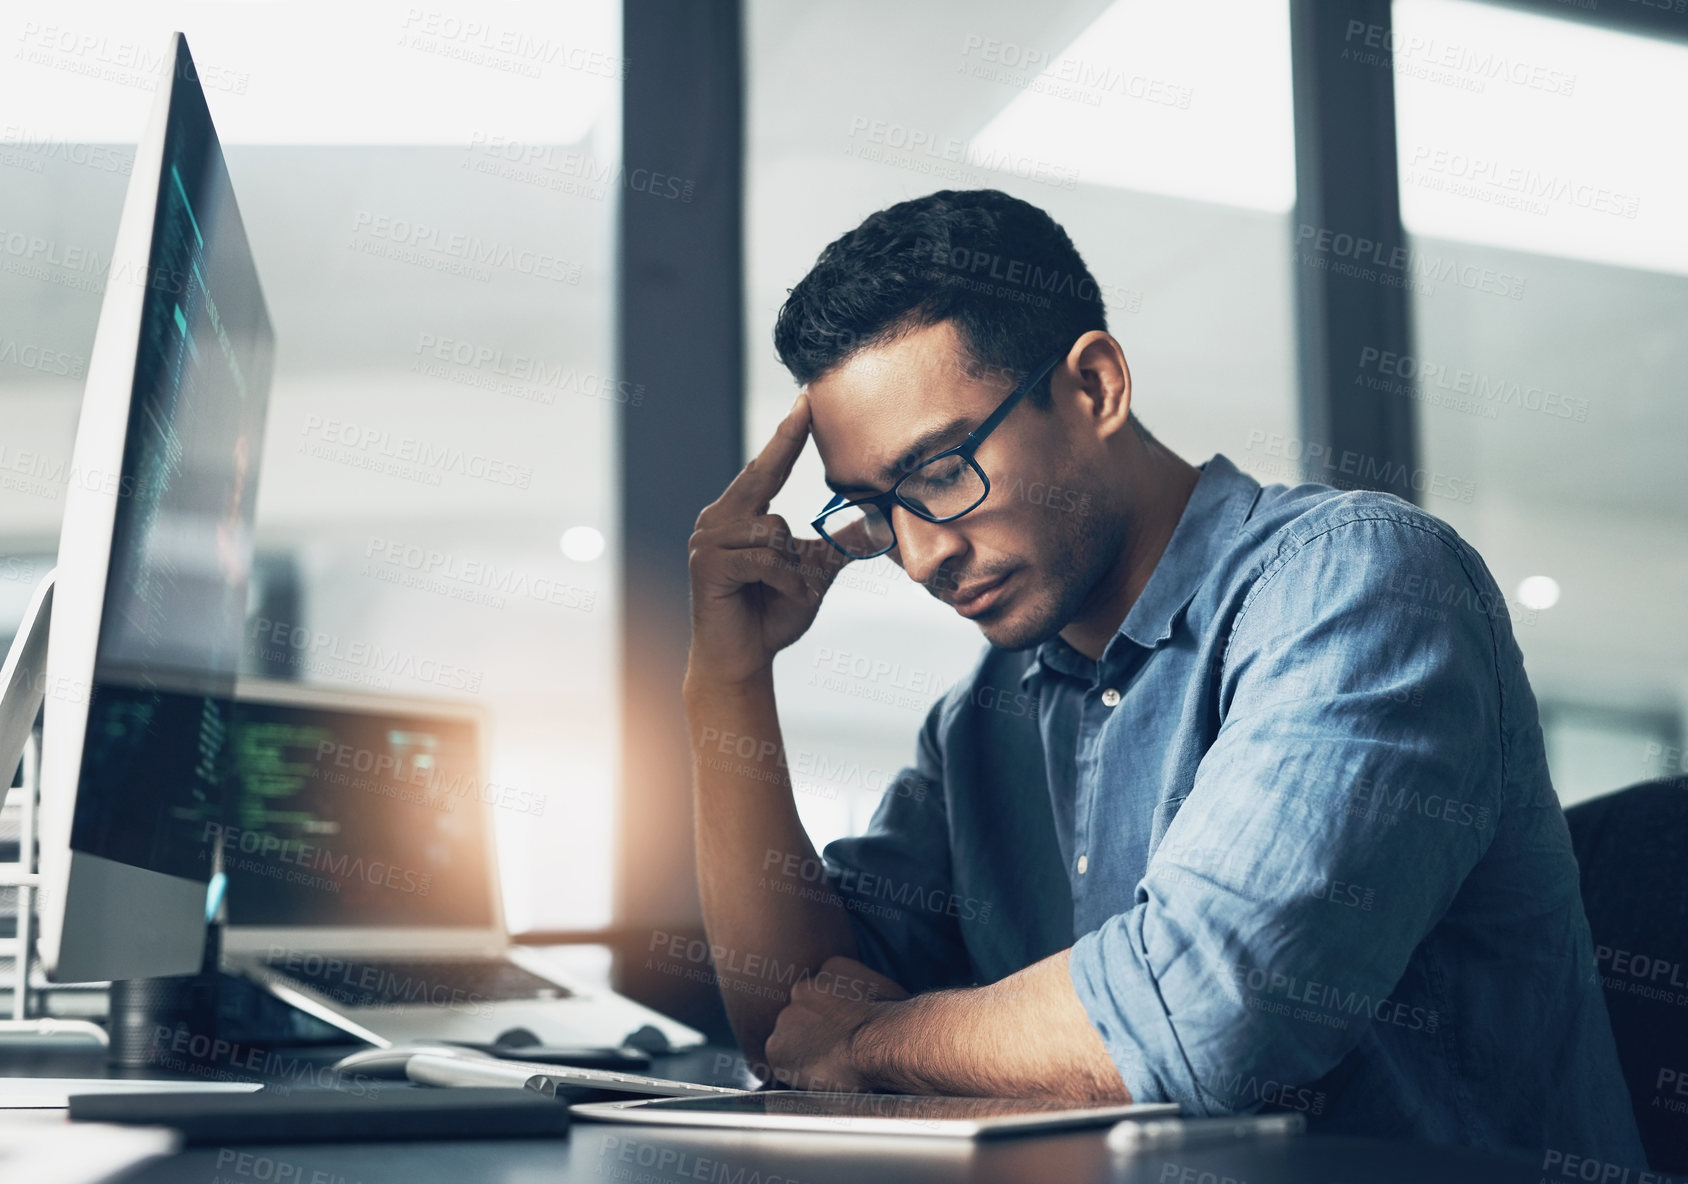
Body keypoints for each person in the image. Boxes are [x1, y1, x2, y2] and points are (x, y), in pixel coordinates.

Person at [683, 188, 1643, 1162]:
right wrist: (725, 682)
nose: (921, 554)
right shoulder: (985, 714)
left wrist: (872, 1041)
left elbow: (1208, 1009)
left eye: (938, 472)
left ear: (1095, 386)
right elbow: (791, 1016)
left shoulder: (1359, 582)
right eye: (873, 509)